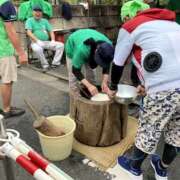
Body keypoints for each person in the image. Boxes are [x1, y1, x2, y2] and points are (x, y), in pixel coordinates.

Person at [107, 0, 180, 180]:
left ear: (127, 16)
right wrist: (144, 84)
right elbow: (167, 61)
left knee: (149, 130)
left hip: (163, 91)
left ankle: (134, 168)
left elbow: (118, 63)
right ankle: (162, 168)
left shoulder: (131, 26)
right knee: (177, 133)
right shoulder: (172, 24)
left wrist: (113, 87)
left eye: (123, 19)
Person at [65, 29, 114, 97]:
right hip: (73, 45)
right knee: (73, 78)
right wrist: (89, 86)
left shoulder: (109, 46)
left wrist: (104, 82)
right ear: (96, 51)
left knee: (91, 74)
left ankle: (91, 92)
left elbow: (107, 63)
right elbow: (75, 70)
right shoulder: (82, 50)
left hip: (88, 42)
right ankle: (75, 97)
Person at [0, 0, 28, 119]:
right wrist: (21, 53)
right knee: (7, 80)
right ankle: (7, 109)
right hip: (3, 49)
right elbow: (10, 30)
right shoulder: (5, 3)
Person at [25, 5, 64, 72]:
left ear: (42, 13)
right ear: (33, 12)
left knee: (60, 45)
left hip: (46, 42)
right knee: (38, 49)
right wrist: (37, 41)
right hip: (35, 42)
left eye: (39, 12)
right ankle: (45, 65)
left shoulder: (45, 21)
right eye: (36, 11)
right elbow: (28, 32)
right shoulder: (29, 20)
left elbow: (51, 31)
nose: (38, 13)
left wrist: (53, 40)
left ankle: (55, 63)